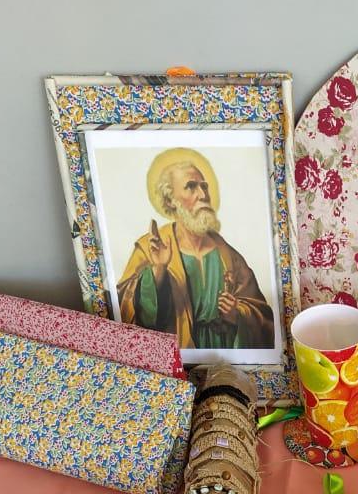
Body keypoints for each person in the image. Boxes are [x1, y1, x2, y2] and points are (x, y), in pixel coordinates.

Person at [117, 147, 274, 351]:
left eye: (204, 186)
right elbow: (127, 316)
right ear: (170, 200)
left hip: (226, 356)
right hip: (181, 359)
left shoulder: (228, 255)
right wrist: (158, 271)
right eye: (191, 187)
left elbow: (263, 316)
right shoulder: (151, 247)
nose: (203, 194)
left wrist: (237, 314)